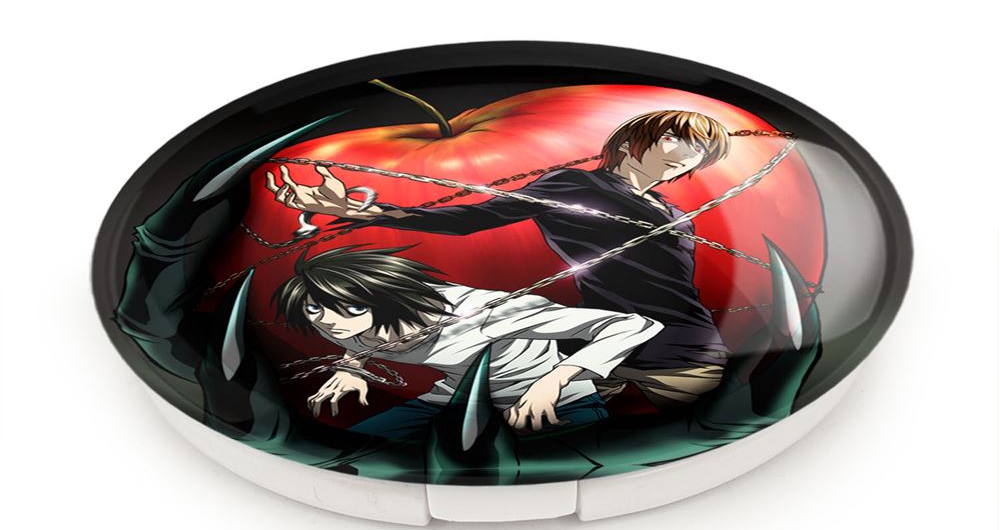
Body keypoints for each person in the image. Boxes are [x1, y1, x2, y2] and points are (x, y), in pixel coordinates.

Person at [267, 109, 730, 410]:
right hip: (592, 339)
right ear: (631, 142)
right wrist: (367, 211)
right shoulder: (573, 186)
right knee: (560, 436)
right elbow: (472, 219)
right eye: (674, 139)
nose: (688, 155)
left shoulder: (670, 210)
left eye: (700, 150)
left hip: (683, 345)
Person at [272, 246, 661, 440]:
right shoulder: (333, 320)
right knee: (359, 447)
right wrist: (352, 368)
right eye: (314, 309)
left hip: (555, 400)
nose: (330, 322)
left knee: (574, 464)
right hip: (453, 400)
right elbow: (353, 336)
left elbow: (630, 325)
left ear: (386, 299)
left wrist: (554, 380)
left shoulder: (490, 313)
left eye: (352, 308)